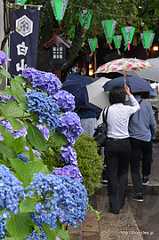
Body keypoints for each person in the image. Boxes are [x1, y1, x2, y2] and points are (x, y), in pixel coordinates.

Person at [104, 85, 140, 214]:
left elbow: (99, 124)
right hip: (125, 143)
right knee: (123, 173)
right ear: (123, 97)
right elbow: (137, 106)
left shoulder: (106, 110)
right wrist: (129, 93)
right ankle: (120, 202)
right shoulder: (127, 109)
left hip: (111, 144)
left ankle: (114, 206)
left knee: (112, 174)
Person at [129, 94, 157, 202]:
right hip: (146, 137)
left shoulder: (128, 104)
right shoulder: (147, 104)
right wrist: (153, 134)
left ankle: (138, 191)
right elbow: (152, 122)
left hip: (133, 137)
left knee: (135, 165)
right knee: (147, 157)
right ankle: (145, 176)